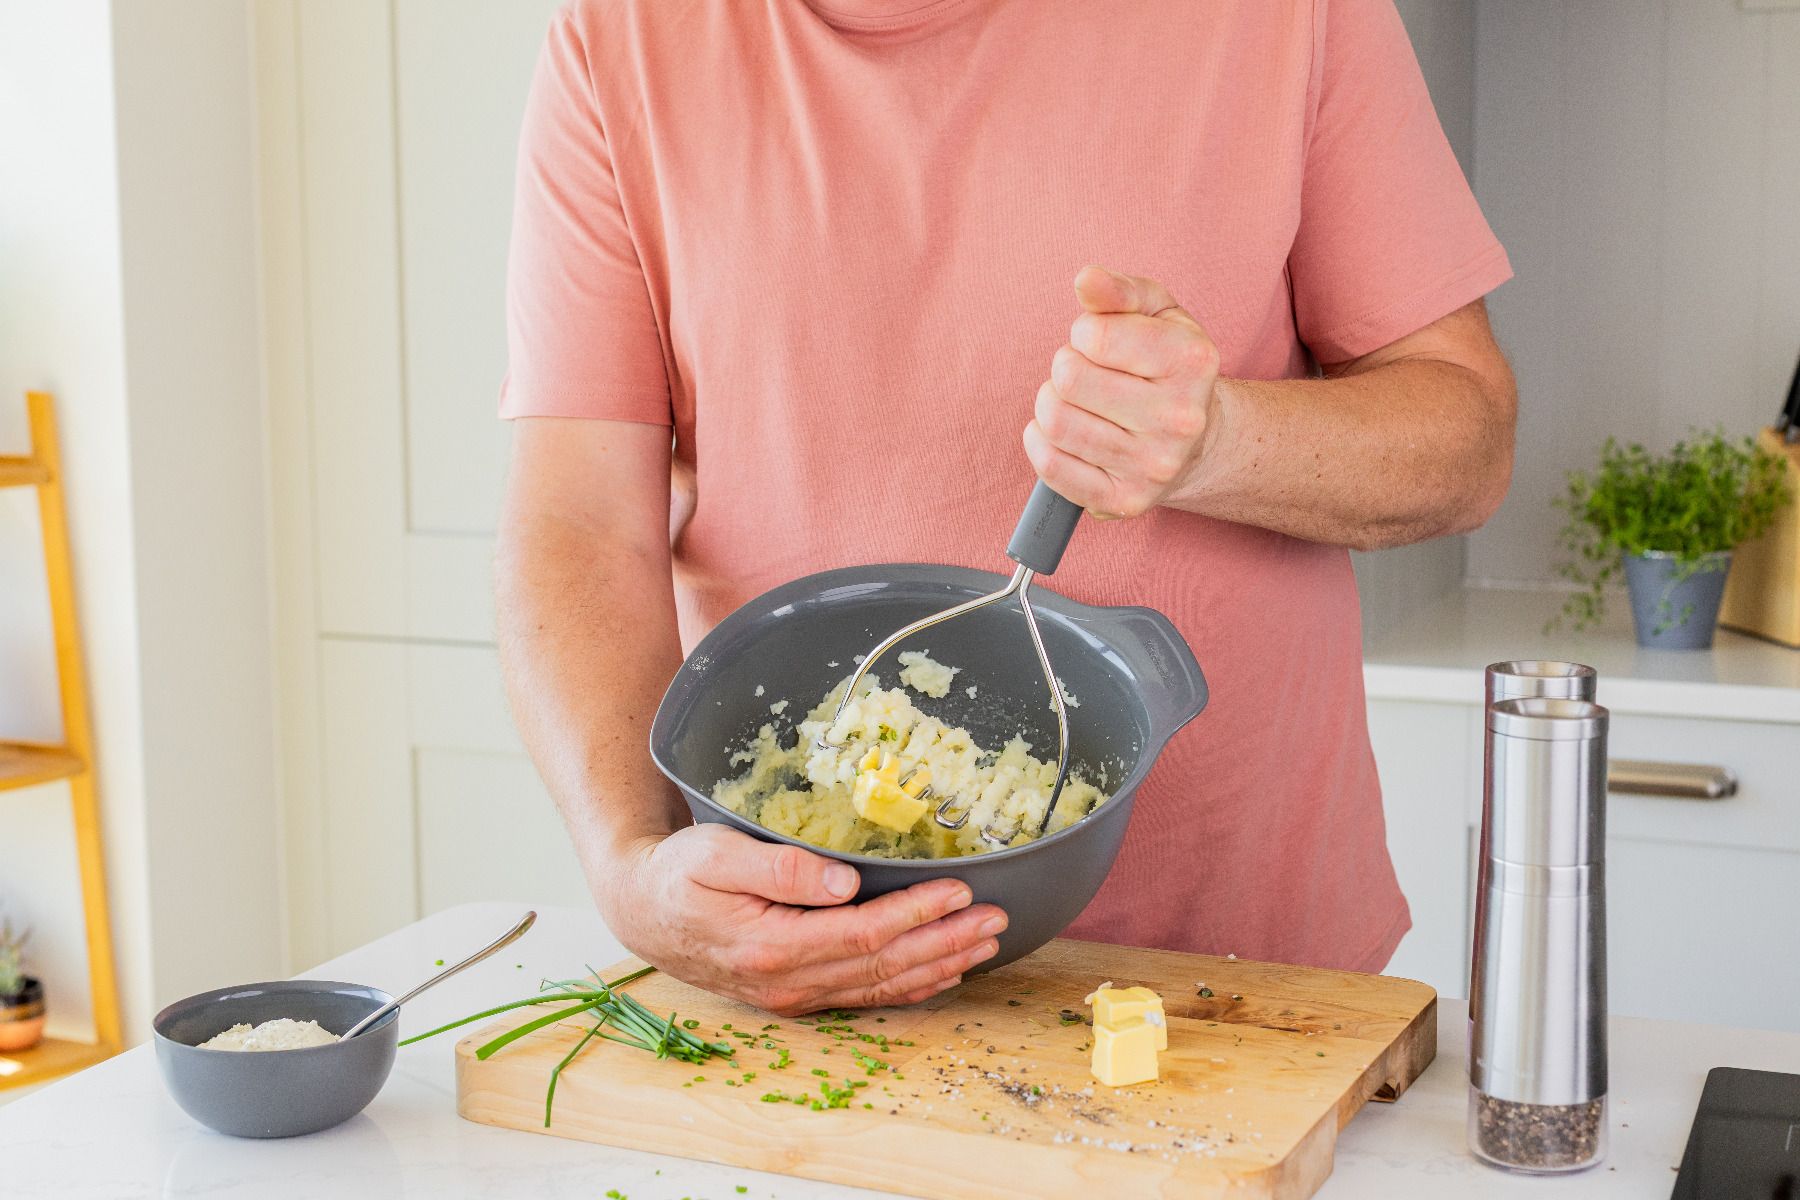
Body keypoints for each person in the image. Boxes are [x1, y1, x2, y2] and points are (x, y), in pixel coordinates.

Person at [495, 0, 1515, 1017]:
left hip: (1241, 983)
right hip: (798, 961)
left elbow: (1468, 440)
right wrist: (629, 863)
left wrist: (1219, 441)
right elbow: (581, 522)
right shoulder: (618, 38)